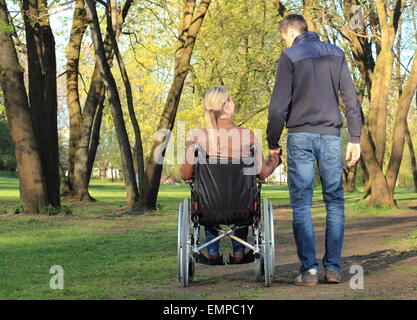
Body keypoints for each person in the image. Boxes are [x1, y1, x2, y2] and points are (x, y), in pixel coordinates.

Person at [266, 15, 362, 286]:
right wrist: (355, 137)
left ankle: (309, 270)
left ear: (289, 32)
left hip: (300, 137)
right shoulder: (337, 54)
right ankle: (332, 269)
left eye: (283, 36)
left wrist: (273, 141)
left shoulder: (289, 56)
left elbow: (277, 108)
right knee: (335, 201)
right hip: (331, 137)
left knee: (301, 205)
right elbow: (351, 99)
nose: (284, 41)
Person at [180, 85, 281, 265]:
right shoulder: (247, 136)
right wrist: (274, 158)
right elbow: (262, 173)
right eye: (231, 99)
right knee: (241, 195)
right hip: (242, 208)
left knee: (208, 194)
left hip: (208, 209)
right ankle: (239, 252)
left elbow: (185, 173)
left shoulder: (198, 137)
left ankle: (212, 252)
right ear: (227, 105)